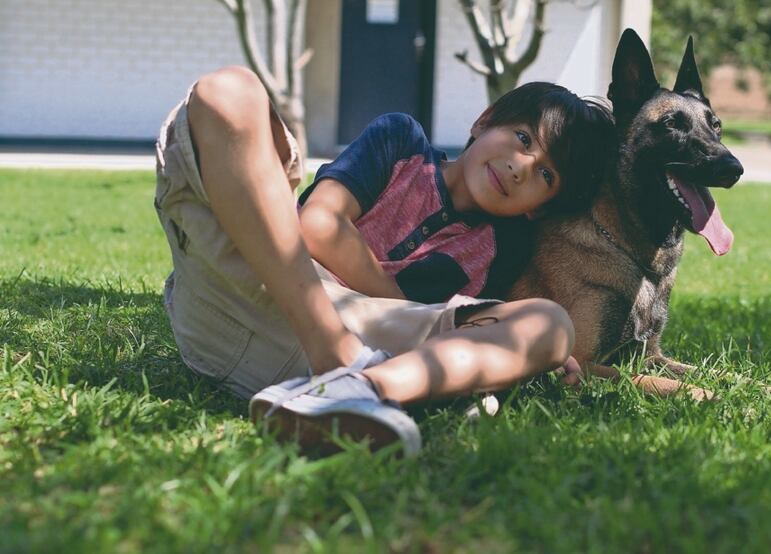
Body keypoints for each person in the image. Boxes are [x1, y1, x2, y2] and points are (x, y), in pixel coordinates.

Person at [153, 67, 614, 455]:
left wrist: (542, 359)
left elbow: (472, 331)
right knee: (230, 90)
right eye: (522, 137)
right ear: (484, 119)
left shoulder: (504, 246)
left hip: (382, 352)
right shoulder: (402, 142)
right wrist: (390, 304)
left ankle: (359, 392)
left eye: (546, 174)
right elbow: (317, 227)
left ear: (540, 207)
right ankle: (340, 367)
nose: (521, 166)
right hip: (259, 287)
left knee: (551, 324)